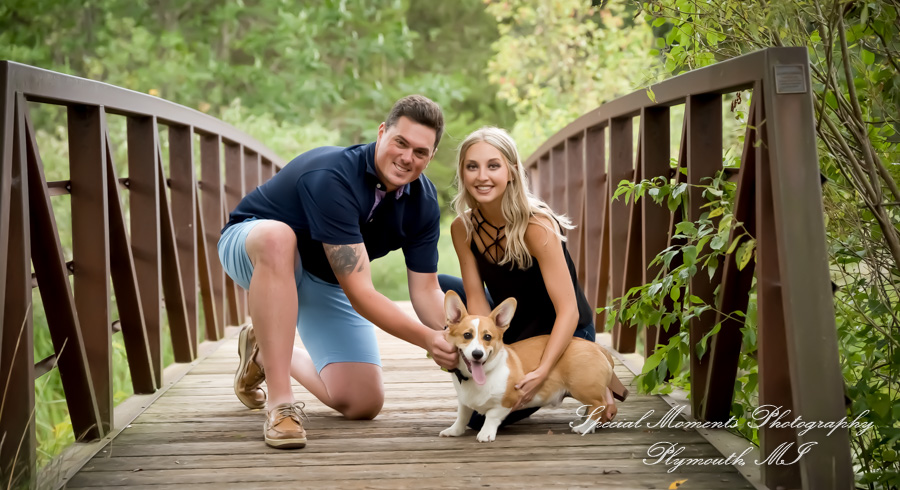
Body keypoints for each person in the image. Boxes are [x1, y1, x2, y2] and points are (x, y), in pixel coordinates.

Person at [218, 95, 458, 449]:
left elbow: (425, 292)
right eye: (400, 143)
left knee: (362, 402)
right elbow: (361, 293)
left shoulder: (422, 203)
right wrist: (426, 340)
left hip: (326, 277)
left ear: (431, 156)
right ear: (381, 132)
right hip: (255, 249)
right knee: (278, 238)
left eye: (420, 152)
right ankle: (280, 405)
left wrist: (462, 338)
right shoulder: (333, 175)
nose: (407, 158)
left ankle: (261, 351)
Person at [439, 126, 627, 429]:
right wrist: (474, 349)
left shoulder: (537, 225)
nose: (481, 176)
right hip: (516, 330)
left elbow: (569, 310)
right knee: (445, 284)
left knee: (481, 416)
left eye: (493, 165)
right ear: (462, 172)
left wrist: (541, 371)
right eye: (472, 166)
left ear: (512, 171)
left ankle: (585, 378)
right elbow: (475, 301)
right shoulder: (463, 229)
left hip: (565, 333)